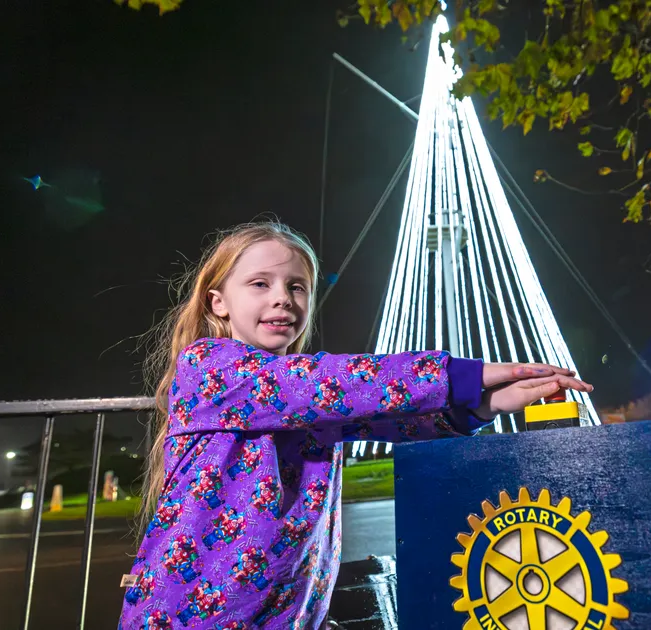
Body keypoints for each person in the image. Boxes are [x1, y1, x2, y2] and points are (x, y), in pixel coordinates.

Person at [119, 222, 592, 630]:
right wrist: (466, 375)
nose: (283, 297)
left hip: (287, 609)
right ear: (218, 302)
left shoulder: (306, 401)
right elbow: (336, 383)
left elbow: (388, 420)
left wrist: (489, 403)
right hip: (192, 611)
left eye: (297, 286)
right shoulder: (209, 367)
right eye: (260, 284)